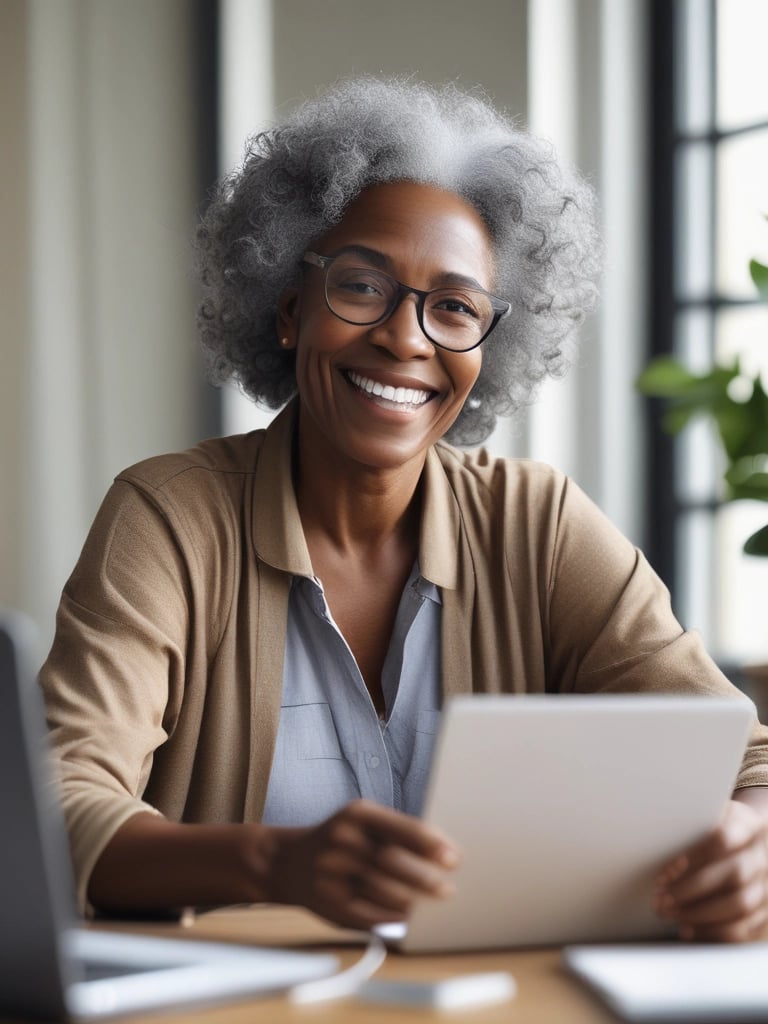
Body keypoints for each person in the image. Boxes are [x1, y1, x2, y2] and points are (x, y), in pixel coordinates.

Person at [41, 76, 768, 942]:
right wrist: (279, 862)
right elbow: (58, 805)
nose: (405, 336)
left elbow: (744, 755)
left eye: (454, 308)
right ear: (288, 310)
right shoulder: (169, 519)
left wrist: (751, 840)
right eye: (360, 285)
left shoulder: (538, 525)